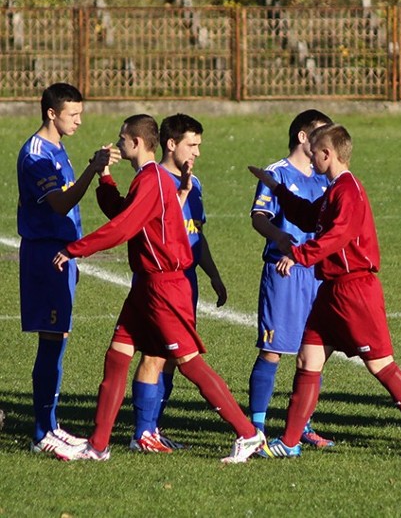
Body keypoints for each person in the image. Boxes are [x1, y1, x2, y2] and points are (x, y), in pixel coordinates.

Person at [52, 114, 268, 463]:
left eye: (122, 139)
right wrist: (104, 176)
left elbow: (122, 228)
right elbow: (123, 212)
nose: (119, 145)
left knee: (189, 363)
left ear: (136, 142)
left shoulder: (152, 180)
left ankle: (247, 434)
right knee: (117, 356)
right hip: (146, 287)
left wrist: (74, 248)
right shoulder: (148, 179)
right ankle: (98, 444)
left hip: (164, 286)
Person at [247, 124, 401, 460]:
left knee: (381, 366)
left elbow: (337, 236)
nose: (311, 158)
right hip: (332, 289)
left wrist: (299, 255)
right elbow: (309, 217)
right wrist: (276, 189)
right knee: (308, 358)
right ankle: (292, 441)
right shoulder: (333, 190)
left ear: (328, 154)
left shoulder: (349, 190)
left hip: (355, 289)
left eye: (315, 153)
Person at [107, 113, 228, 453]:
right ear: (171, 144)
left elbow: (195, 235)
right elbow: (124, 222)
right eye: (192, 145)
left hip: (186, 279)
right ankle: (142, 432)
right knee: (158, 355)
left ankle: (152, 429)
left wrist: (213, 275)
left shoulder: (195, 184)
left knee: (171, 358)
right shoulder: (154, 181)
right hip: (160, 279)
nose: (197, 152)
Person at [16, 82, 119, 457]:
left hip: (61, 253)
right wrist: (93, 170)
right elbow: (59, 204)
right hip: (46, 256)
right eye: (72, 114)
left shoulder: (57, 148)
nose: (79, 120)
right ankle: (42, 431)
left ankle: (51, 425)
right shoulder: (37, 155)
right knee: (50, 341)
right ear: (51, 113)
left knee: (58, 339)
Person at [247, 109, 335, 451]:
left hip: (315, 272)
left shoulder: (325, 176)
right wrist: (281, 240)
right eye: (319, 134)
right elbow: (259, 216)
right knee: (272, 351)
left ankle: (303, 425)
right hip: (283, 273)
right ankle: (256, 427)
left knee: (314, 352)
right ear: (302, 137)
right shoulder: (276, 173)